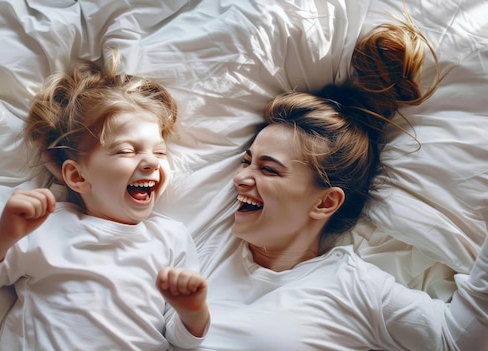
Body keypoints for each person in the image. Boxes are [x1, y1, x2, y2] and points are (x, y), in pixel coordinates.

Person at [180, 14, 488, 351]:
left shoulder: (353, 287)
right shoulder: (208, 243)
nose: (240, 178)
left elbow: (456, 339)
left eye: (268, 170)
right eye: (246, 161)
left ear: (325, 202)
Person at [0, 49, 210, 351]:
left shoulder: (170, 237)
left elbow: (181, 340)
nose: (151, 162)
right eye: (126, 151)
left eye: (159, 152)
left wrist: (192, 311)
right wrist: (2, 237)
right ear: (78, 176)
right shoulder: (45, 226)